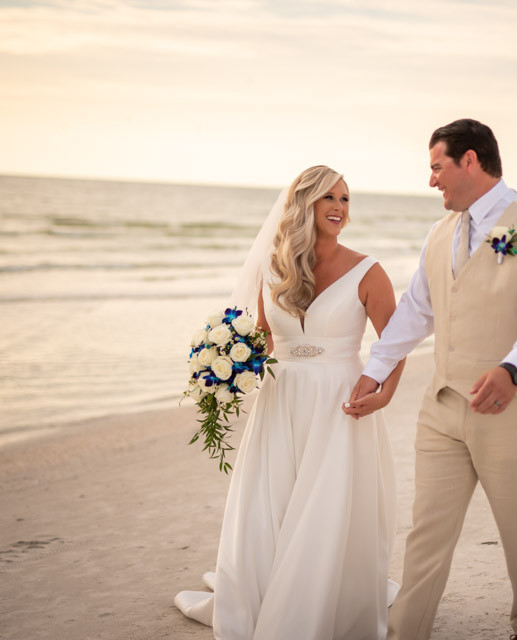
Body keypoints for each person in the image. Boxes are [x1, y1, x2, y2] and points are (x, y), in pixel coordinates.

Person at [345, 119, 517, 640]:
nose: (431, 181)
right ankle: (406, 633)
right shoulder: (440, 232)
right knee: (427, 530)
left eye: (437, 167)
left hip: (512, 405)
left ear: (470, 160)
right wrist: (375, 370)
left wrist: (513, 370)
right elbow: (416, 311)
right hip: (443, 404)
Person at [175, 165, 405, 640]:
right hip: (280, 399)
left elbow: (395, 342)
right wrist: (225, 367)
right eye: (329, 198)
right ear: (304, 204)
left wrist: (384, 392)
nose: (340, 207)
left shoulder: (368, 271)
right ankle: (264, 592)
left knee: (326, 504)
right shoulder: (272, 268)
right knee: (272, 500)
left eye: (345, 199)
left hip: (339, 401)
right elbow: (262, 339)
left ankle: (316, 604)